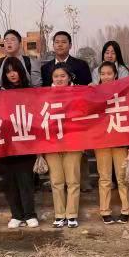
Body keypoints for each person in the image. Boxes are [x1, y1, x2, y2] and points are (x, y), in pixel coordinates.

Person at [0, 57, 40, 228]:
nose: (12, 74)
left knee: (25, 180)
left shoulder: (30, 91)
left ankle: (29, 214)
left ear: (21, 71)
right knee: (10, 182)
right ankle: (16, 215)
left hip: (26, 142)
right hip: (6, 144)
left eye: (14, 70)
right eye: (8, 71)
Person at [92, 61, 129, 224]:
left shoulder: (123, 92)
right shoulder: (94, 92)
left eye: (109, 73)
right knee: (104, 178)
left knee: (122, 178)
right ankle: (105, 210)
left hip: (120, 140)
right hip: (101, 141)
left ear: (115, 75)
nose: (106, 77)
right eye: (103, 74)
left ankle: (126, 209)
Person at [44, 63, 83, 228]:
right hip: (52, 143)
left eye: (62, 76)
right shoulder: (44, 95)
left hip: (73, 141)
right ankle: (59, 215)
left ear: (69, 77)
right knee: (56, 181)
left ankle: (72, 214)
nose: (59, 79)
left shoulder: (78, 93)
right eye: (56, 76)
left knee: (73, 180)